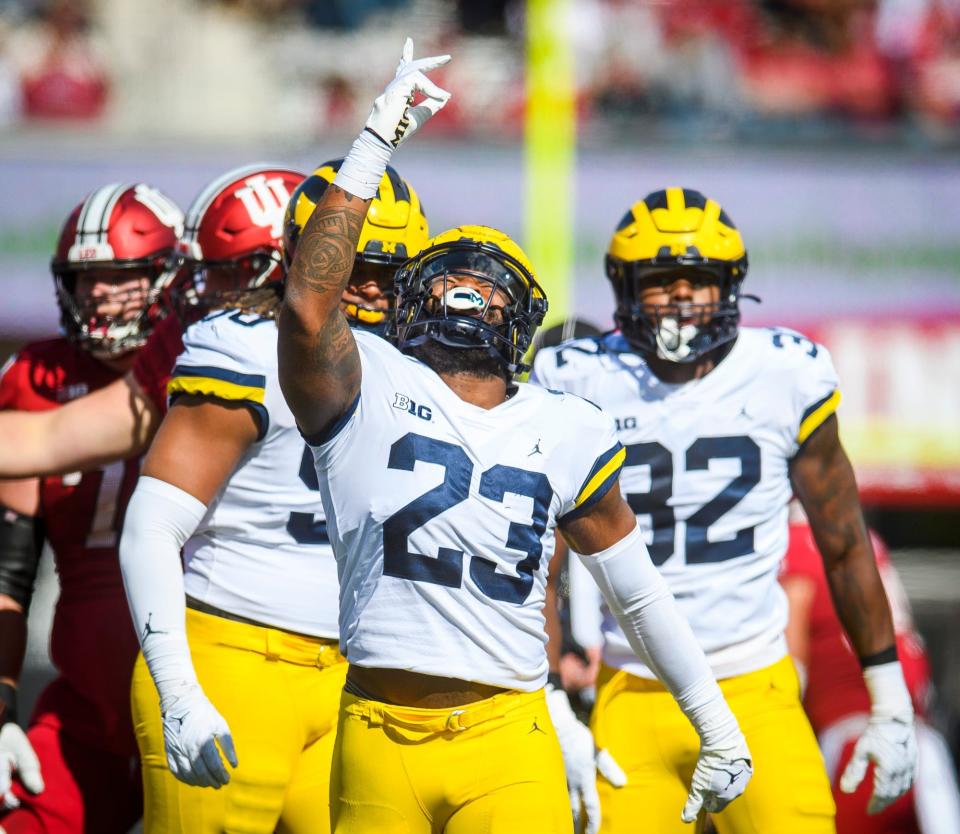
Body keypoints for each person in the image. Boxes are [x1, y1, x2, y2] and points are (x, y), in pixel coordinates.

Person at [278, 39, 752, 834]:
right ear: (408, 303)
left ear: (522, 324)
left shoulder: (566, 425)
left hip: (508, 732)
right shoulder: (368, 385)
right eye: (448, 280)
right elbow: (307, 302)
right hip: (376, 727)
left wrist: (716, 721)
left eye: (488, 290)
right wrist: (372, 146)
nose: (467, 295)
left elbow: (634, 591)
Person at [531, 187, 919, 833]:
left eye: (700, 280)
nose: (682, 295)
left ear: (730, 286)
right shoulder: (576, 377)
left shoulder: (784, 373)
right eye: (662, 280)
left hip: (754, 686)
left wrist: (891, 699)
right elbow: (533, 553)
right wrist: (547, 690)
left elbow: (845, 542)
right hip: (631, 691)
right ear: (625, 287)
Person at [119, 160, 431, 834]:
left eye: (392, 272)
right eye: (357, 266)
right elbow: (150, 528)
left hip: (351, 677)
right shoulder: (247, 351)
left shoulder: (414, 372)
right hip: (233, 661)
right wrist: (177, 688)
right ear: (304, 257)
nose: (374, 290)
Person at [0, 183, 183, 833]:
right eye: (86, 279)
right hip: (86, 710)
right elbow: (8, 572)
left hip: (209, 688)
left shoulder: (212, 366)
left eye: (120, 276)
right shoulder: (37, 377)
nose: (100, 293)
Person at [781, 508, 960, 834]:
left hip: (858, 747)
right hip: (919, 742)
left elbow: (792, 671)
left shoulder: (794, 545)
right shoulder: (861, 536)